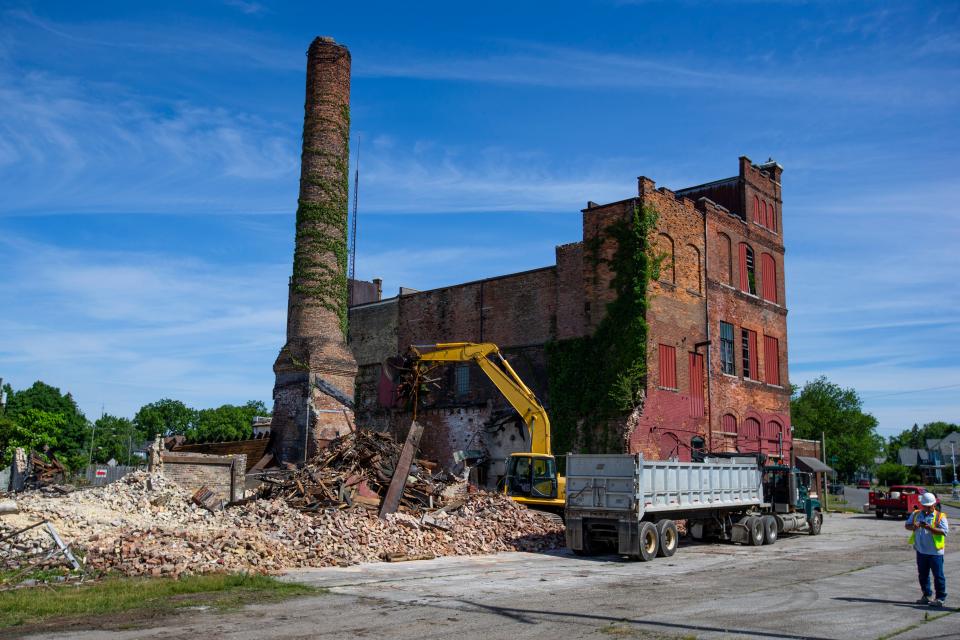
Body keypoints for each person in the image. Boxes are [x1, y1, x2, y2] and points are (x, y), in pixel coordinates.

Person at [905, 492, 949, 607]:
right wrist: (913, 526)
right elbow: (907, 525)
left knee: (938, 575)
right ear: (921, 505)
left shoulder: (940, 516)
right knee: (923, 575)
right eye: (925, 506)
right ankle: (927, 595)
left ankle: (940, 598)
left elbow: (944, 532)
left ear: (934, 504)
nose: (927, 508)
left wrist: (929, 528)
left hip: (935, 552)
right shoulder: (916, 514)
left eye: (929, 506)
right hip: (921, 550)